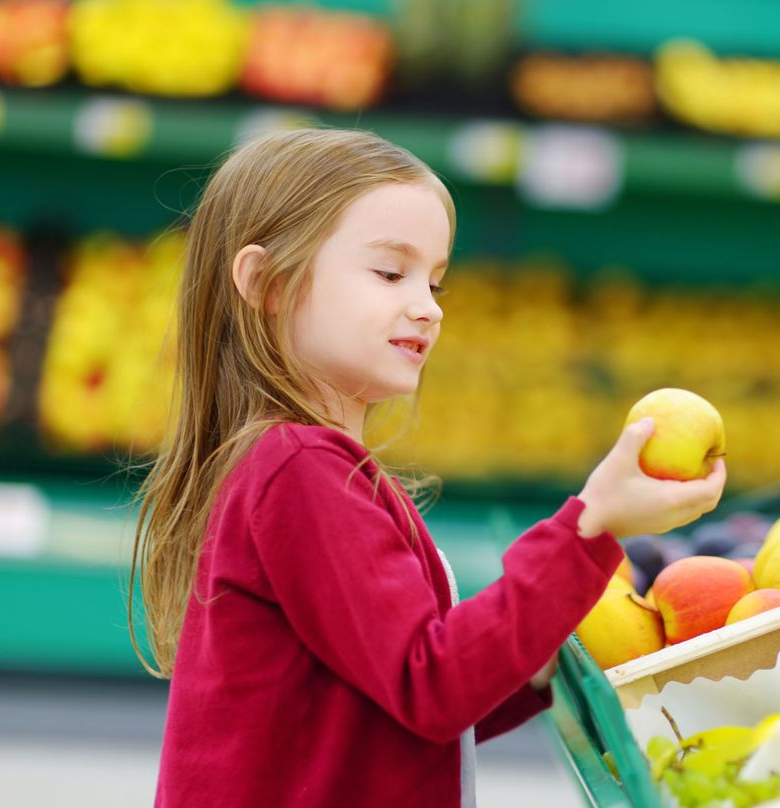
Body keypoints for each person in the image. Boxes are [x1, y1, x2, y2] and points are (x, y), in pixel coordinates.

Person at [130, 128, 726, 807]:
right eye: (391, 273)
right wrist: (591, 525)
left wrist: (540, 663)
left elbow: (400, 705)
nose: (428, 306)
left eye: (436, 281)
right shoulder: (299, 470)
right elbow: (430, 685)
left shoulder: (301, 466)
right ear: (266, 282)